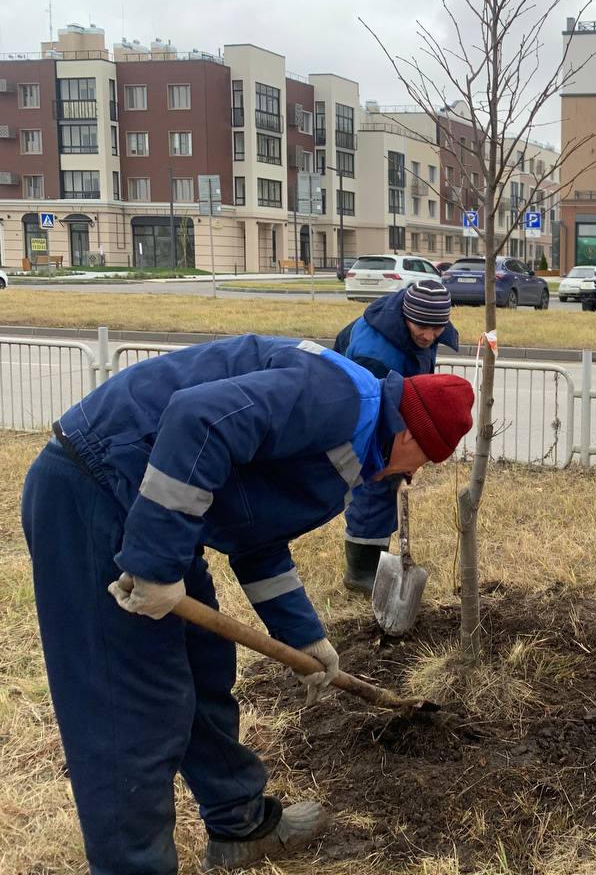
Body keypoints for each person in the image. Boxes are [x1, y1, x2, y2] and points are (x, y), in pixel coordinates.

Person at [20, 334, 474, 874]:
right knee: (130, 709)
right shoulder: (338, 400)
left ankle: (240, 824)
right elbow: (199, 419)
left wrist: (305, 638)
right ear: (408, 432)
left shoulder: (355, 437)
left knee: (204, 665)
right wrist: (155, 565)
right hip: (96, 488)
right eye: (424, 458)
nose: (413, 474)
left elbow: (253, 531)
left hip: (157, 503)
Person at [333, 281, 459, 593]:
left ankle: (377, 556)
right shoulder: (374, 353)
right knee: (374, 479)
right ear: (406, 316)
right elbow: (372, 413)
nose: (429, 336)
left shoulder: (422, 318)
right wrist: (398, 452)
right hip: (356, 407)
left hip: (388, 395)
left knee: (391, 480)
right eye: (422, 328)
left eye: (437, 328)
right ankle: (360, 573)